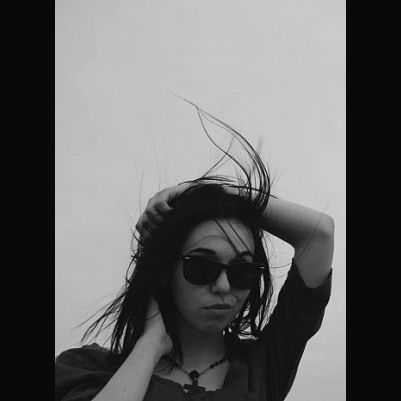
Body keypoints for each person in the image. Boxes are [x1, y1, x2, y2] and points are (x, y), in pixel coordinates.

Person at [55, 107, 334, 401]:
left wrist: (206, 193)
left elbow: (319, 234)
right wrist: (151, 343)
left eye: (242, 272)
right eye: (202, 267)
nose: (223, 286)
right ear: (165, 272)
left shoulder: (263, 365)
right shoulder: (87, 369)